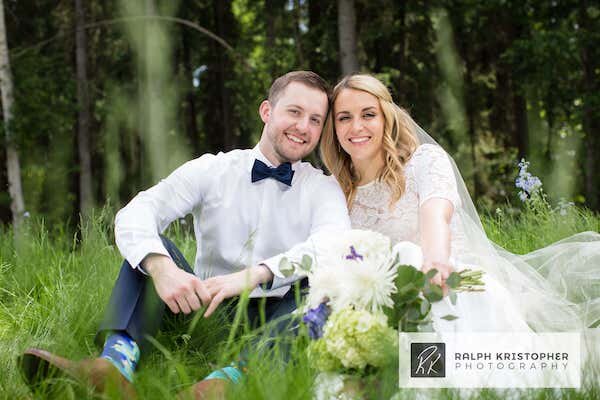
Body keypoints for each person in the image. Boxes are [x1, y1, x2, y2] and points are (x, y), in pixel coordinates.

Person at [19, 71, 351, 398]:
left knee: (322, 285)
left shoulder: (322, 187)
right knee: (153, 249)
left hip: (279, 320)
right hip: (204, 313)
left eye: (315, 120)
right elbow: (138, 211)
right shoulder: (213, 169)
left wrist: (256, 274)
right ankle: (113, 368)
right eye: (294, 112)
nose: (303, 127)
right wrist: (162, 269)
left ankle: (222, 386)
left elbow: (334, 244)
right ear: (267, 111)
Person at [319, 74, 600, 349]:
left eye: (368, 114)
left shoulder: (424, 162)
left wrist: (436, 264)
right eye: (344, 117)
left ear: (386, 118)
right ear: (333, 127)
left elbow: (436, 216)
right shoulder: (334, 191)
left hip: (453, 280)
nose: (356, 126)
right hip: (387, 304)